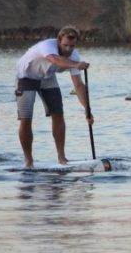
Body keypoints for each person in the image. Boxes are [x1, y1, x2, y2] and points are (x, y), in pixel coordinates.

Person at [15, 26, 93, 168]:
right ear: (58, 41)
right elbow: (55, 60)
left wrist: (88, 110)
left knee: (58, 114)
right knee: (26, 119)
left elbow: (79, 86)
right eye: (65, 45)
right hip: (26, 76)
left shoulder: (74, 56)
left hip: (47, 77)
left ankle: (62, 159)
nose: (68, 49)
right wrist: (76, 64)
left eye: (72, 46)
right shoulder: (47, 46)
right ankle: (28, 161)